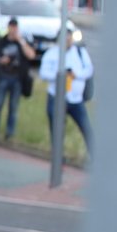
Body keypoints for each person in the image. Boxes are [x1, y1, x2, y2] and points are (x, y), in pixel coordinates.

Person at [39, 28, 93, 156]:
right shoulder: (52, 54)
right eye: (65, 38)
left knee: (86, 128)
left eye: (69, 37)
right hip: (56, 98)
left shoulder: (80, 52)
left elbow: (89, 69)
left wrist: (76, 74)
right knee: (57, 131)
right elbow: (43, 73)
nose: (67, 40)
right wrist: (60, 75)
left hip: (75, 99)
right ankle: (58, 159)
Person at [0, 18, 36, 146]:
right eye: (11, 26)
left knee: (13, 108)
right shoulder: (1, 41)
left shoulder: (22, 42)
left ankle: (9, 134)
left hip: (17, 79)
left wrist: (20, 41)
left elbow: (31, 55)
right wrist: (2, 61)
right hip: (3, 76)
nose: (13, 29)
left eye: (15, 27)